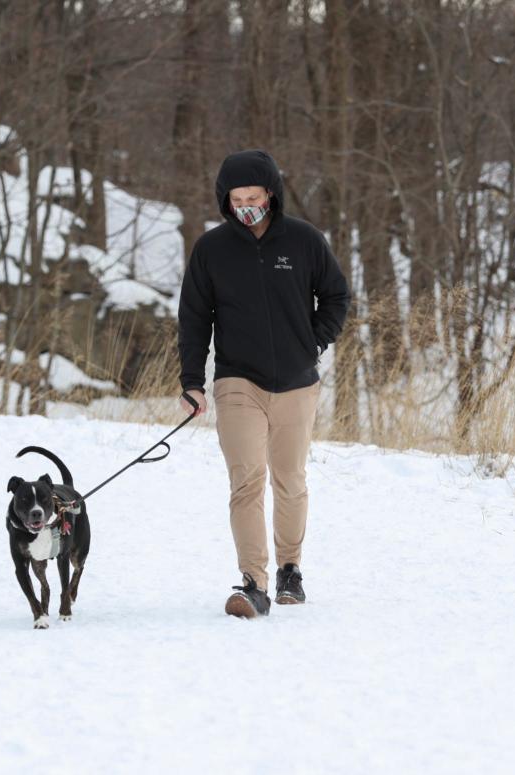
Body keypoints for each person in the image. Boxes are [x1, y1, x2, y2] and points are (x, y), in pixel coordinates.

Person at [177, 149, 350, 619]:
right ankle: (253, 581)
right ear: (225, 199)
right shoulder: (211, 251)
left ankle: (289, 569)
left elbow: (337, 296)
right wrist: (192, 381)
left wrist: (312, 343)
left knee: (289, 479)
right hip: (238, 380)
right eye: (238, 197)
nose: (247, 204)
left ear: (271, 194)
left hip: (297, 382)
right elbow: (194, 318)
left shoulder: (303, 241)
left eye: (255, 196)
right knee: (247, 480)